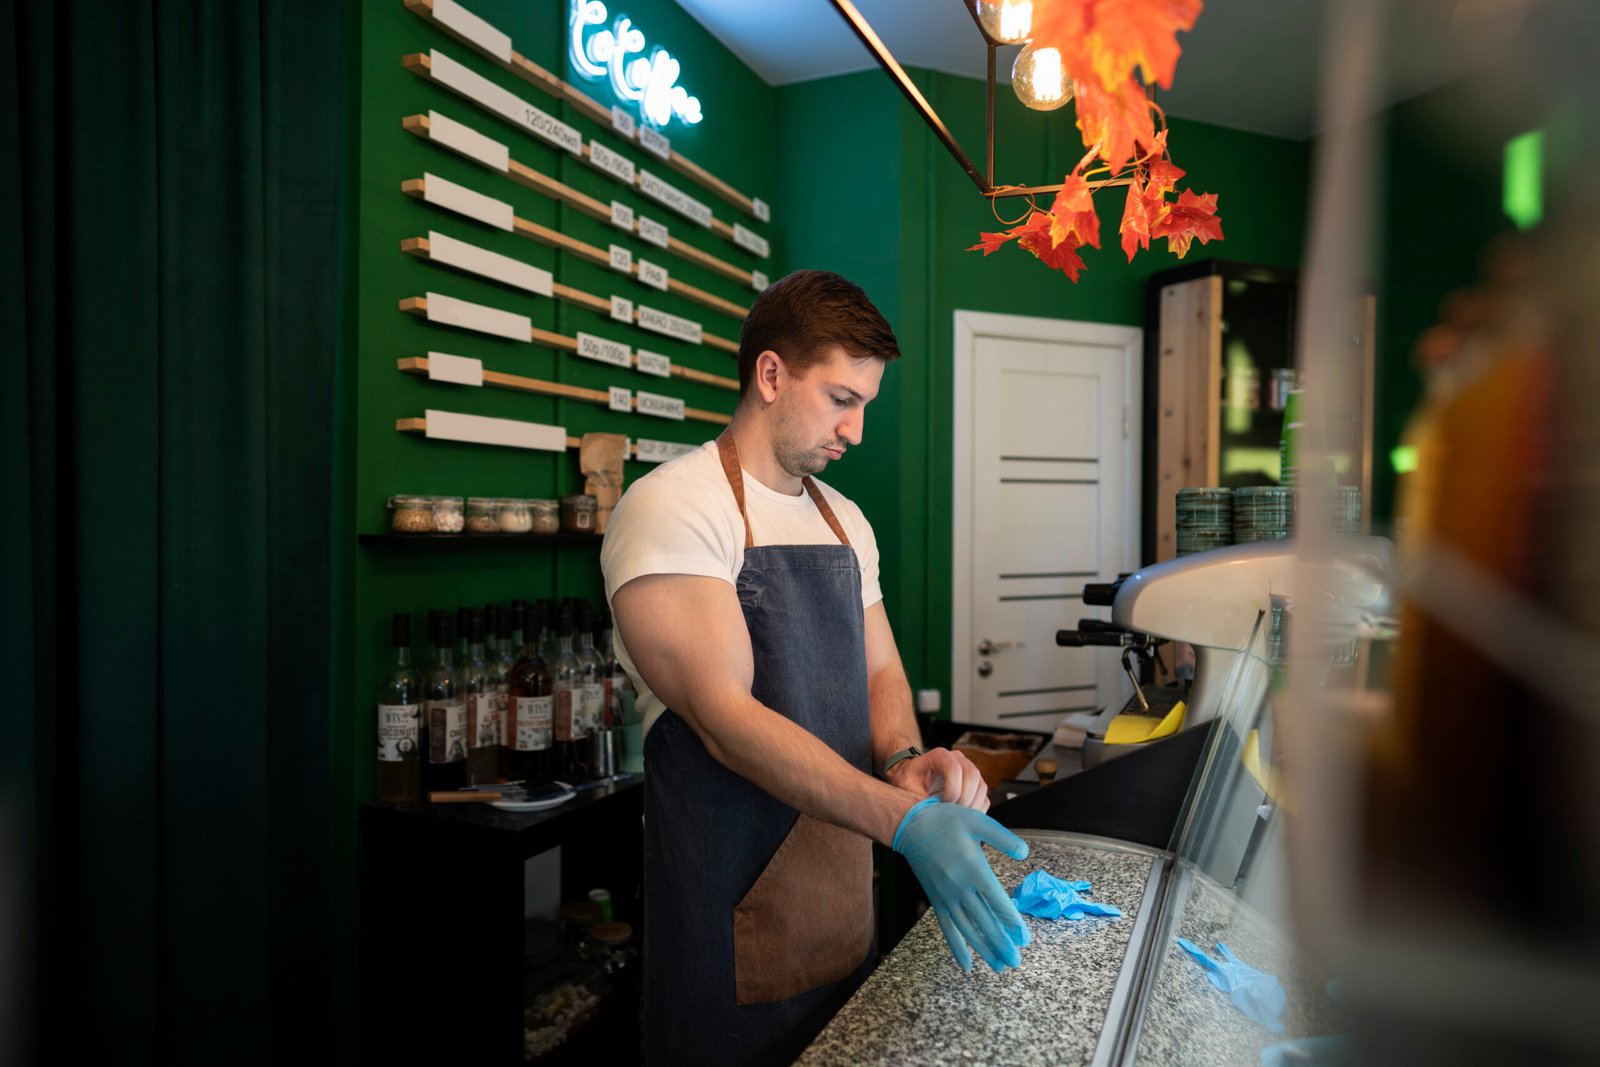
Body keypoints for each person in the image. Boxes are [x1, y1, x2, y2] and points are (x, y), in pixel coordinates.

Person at [601, 269, 1032, 1066]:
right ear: (770, 374)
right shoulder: (675, 507)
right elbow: (726, 719)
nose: (855, 430)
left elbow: (881, 673)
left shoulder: (845, 520)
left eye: (864, 404)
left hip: (840, 906)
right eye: (841, 399)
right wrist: (902, 821)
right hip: (725, 922)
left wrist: (904, 760)